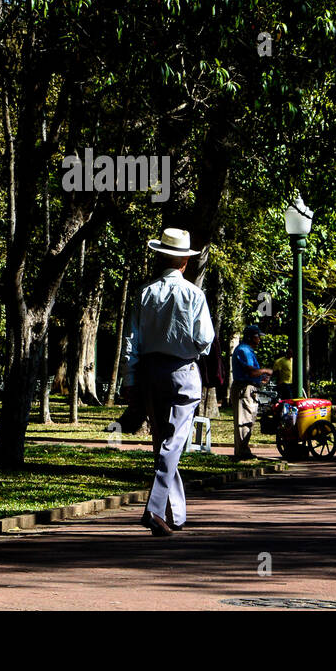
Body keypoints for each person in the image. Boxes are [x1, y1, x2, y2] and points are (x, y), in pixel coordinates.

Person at [123, 227, 215, 536]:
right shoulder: (193, 294)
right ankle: (154, 510)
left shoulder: (144, 293)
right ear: (185, 262)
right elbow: (205, 340)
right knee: (172, 444)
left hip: (150, 373)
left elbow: (131, 343)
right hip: (182, 372)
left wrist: (131, 380)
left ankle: (174, 513)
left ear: (161, 256)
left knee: (162, 444)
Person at [231, 325, 272, 461]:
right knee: (244, 421)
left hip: (249, 388)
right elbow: (251, 371)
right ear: (250, 337)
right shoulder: (244, 350)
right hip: (244, 389)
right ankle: (242, 453)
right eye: (257, 336)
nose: (259, 339)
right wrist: (266, 371)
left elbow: (254, 374)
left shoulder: (247, 350)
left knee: (248, 420)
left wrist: (261, 379)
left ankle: (243, 450)